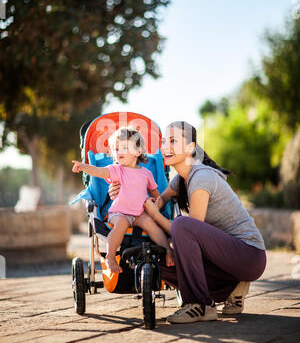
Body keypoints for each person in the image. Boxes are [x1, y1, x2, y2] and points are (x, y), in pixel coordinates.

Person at [109, 121, 267, 323]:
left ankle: (199, 305)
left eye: (174, 141)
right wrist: (123, 192)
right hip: (224, 260)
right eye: (165, 141)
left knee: (183, 225)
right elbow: (159, 201)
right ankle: (232, 286)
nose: (166, 147)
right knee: (161, 262)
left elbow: (190, 229)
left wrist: (155, 216)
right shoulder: (181, 179)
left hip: (248, 255)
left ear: (191, 148)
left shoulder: (201, 177)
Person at [72, 126, 175, 274]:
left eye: (125, 147)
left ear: (139, 151)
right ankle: (111, 256)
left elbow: (155, 193)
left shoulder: (146, 174)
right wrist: (84, 167)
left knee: (152, 226)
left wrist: (156, 202)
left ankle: (168, 252)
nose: (119, 152)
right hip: (119, 213)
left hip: (140, 213)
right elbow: (99, 172)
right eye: (116, 148)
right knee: (120, 225)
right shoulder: (117, 170)